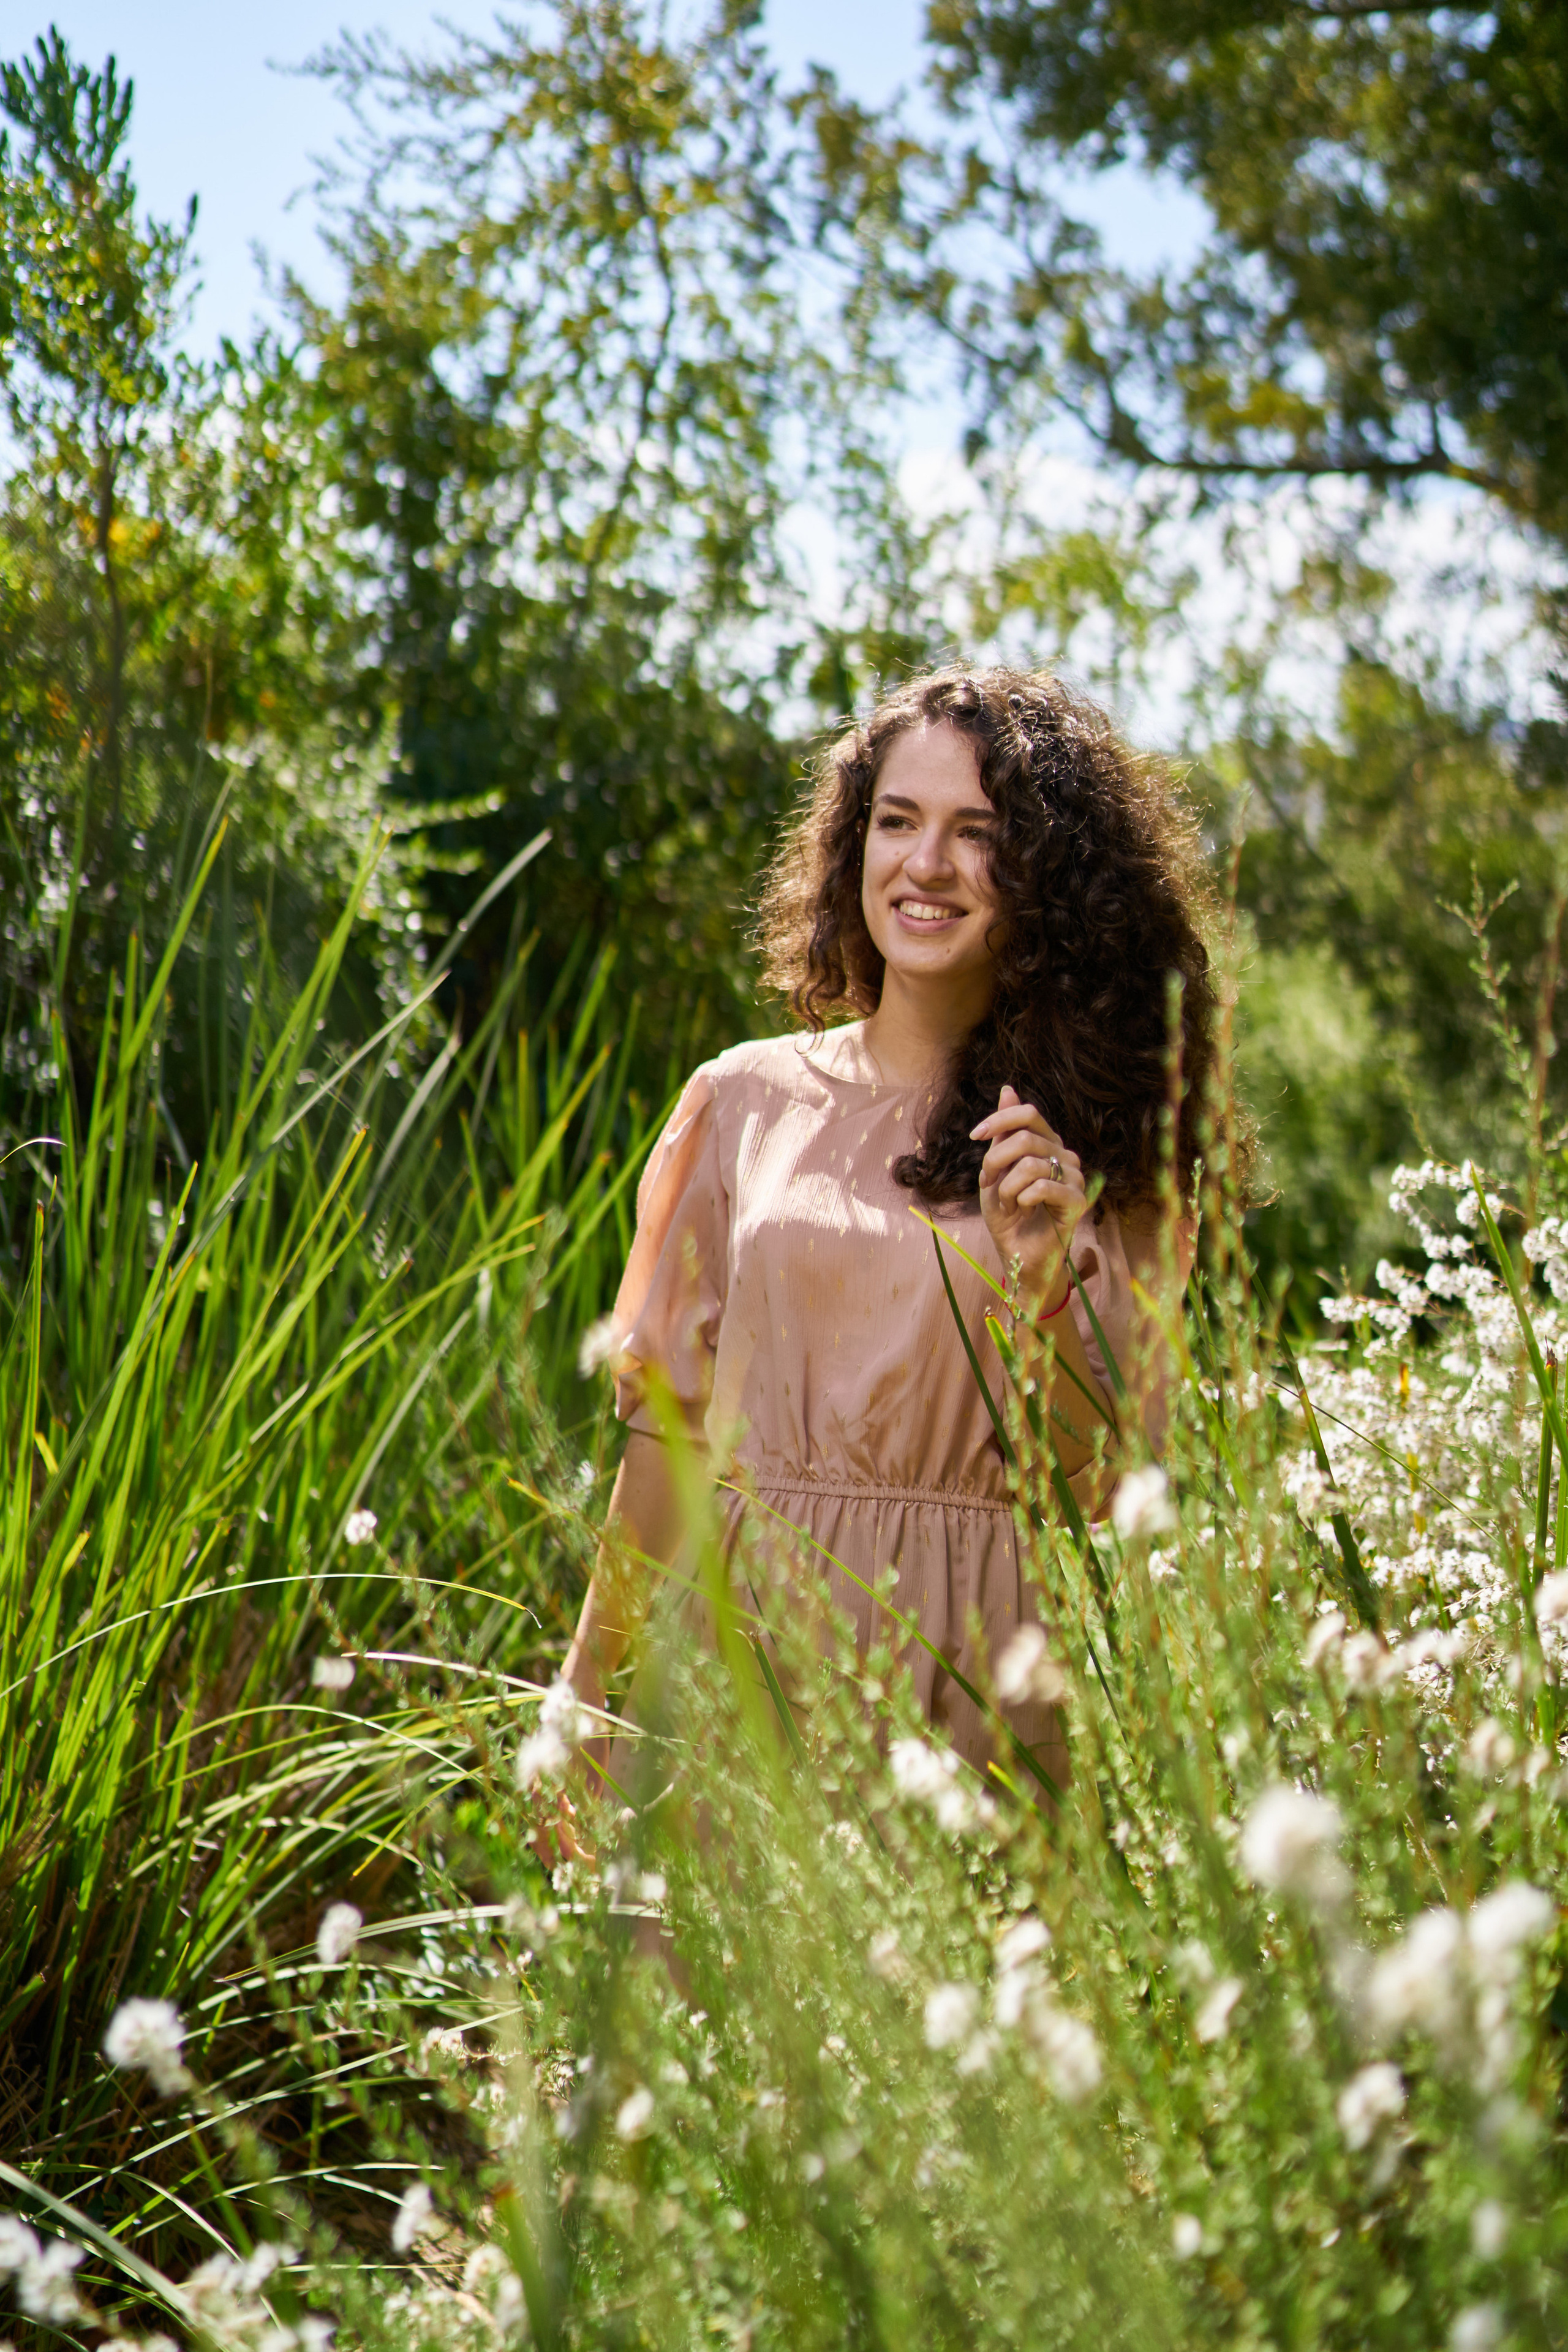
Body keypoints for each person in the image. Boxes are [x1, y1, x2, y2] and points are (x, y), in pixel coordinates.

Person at [560, 665, 1227, 1805]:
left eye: (980, 833)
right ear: (854, 844)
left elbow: (1103, 1488)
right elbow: (667, 1432)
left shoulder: (1109, 1158)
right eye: (898, 821)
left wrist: (1047, 1284)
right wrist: (582, 1691)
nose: (926, 864)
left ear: (1053, 876)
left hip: (983, 1682)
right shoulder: (740, 1101)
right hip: (739, 1660)